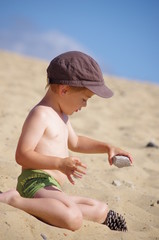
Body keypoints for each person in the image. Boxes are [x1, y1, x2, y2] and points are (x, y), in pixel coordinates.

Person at [0, 51, 133, 232]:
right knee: (73, 218)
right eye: (84, 99)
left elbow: (76, 142)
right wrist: (59, 163)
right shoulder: (41, 114)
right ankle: (12, 200)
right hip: (34, 183)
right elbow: (22, 155)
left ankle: (52, 207)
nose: (84, 105)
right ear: (64, 90)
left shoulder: (62, 116)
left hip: (51, 187)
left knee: (100, 209)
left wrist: (107, 147)